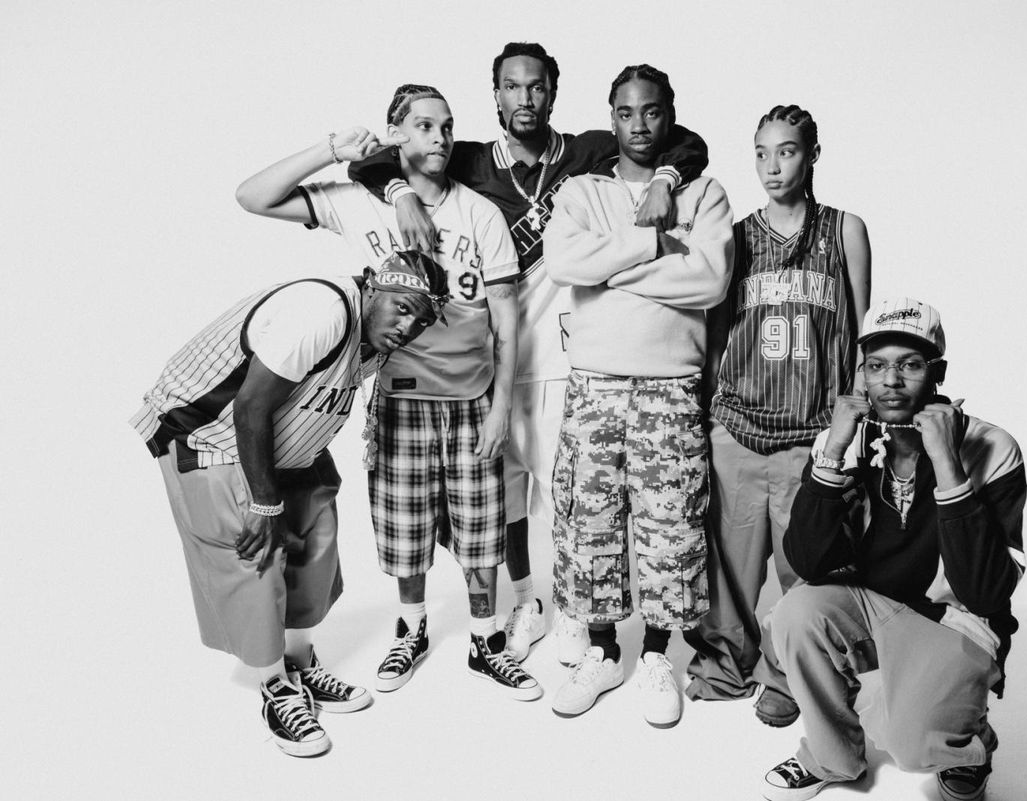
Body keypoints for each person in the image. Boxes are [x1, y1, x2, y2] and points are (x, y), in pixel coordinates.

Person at [349, 42, 710, 665]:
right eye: (512, 87)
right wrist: (400, 194)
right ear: (495, 95)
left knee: (572, 492)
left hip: (569, 355)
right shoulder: (468, 158)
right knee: (508, 494)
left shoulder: (588, 150)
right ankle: (527, 601)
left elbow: (684, 140)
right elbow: (375, 159)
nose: (525, 98)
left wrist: (664, 179)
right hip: (496, 356)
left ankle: (575, 612)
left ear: (552, 93)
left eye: (536, 86)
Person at [236, 84, 540, 700]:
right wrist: (332, 148)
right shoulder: (360, 203)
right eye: (424, 125)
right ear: (395, 133)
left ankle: (485, 640)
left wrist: (502, 407)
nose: (441, 137)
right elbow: (253, 197)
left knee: (481, 526)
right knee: (404, 527)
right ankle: (412, 628)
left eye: (447, 126)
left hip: (472, 396)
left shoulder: (479, 212)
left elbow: (507, 320)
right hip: (399, 399)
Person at [131, 252, 448, 757]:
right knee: (255, 556)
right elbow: (250, 406)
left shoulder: (373, 336)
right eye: (403, 308)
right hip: (211, 435)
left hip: (287, 443)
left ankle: (300, 664)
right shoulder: (321, 312)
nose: (409, 327)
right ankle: (275, 687)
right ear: (372, 287)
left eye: (423, 320)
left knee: (316, 541)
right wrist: (264, 503)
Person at [759, 298, 1026, 801]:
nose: (891, 381)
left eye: (910, 365)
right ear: (862, 374)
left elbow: (986, 592)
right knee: (797, 611)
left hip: (953, 619)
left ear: (937, 373)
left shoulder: (993, 446)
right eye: (877, 366)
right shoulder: (845, 440)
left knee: (914, 750)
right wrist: (833, 450)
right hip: (871, 603)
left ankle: (967, 746)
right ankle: (832, 757)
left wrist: (946, 462)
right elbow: (809, 562)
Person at [542, 64, 733, 728]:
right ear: (612, 118)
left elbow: (708, 280)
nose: (639, 125)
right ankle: (603, 650)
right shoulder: (581, 191)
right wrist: (653, 242)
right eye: (626, 113)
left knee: (669, 523)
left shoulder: (703, 193)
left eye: (651, 112)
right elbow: (564, 263)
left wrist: (611, 268)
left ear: (669, 114)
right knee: (588, 520)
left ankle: (655, 653)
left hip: (671, 384)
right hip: (594, 383)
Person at [684, 105, 871, 728]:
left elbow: (860, 335)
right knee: (730, 569)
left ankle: (792, 672)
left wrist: (847, 424)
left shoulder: (844, 230)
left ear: (812, 155)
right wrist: (709, 412)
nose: (772, 165)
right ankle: (724, 663)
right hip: (738, 424)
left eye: (786, 151)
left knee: (808, 567)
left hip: (810, 433)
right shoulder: (736, 236)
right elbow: (716, 332)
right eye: (761, 152)